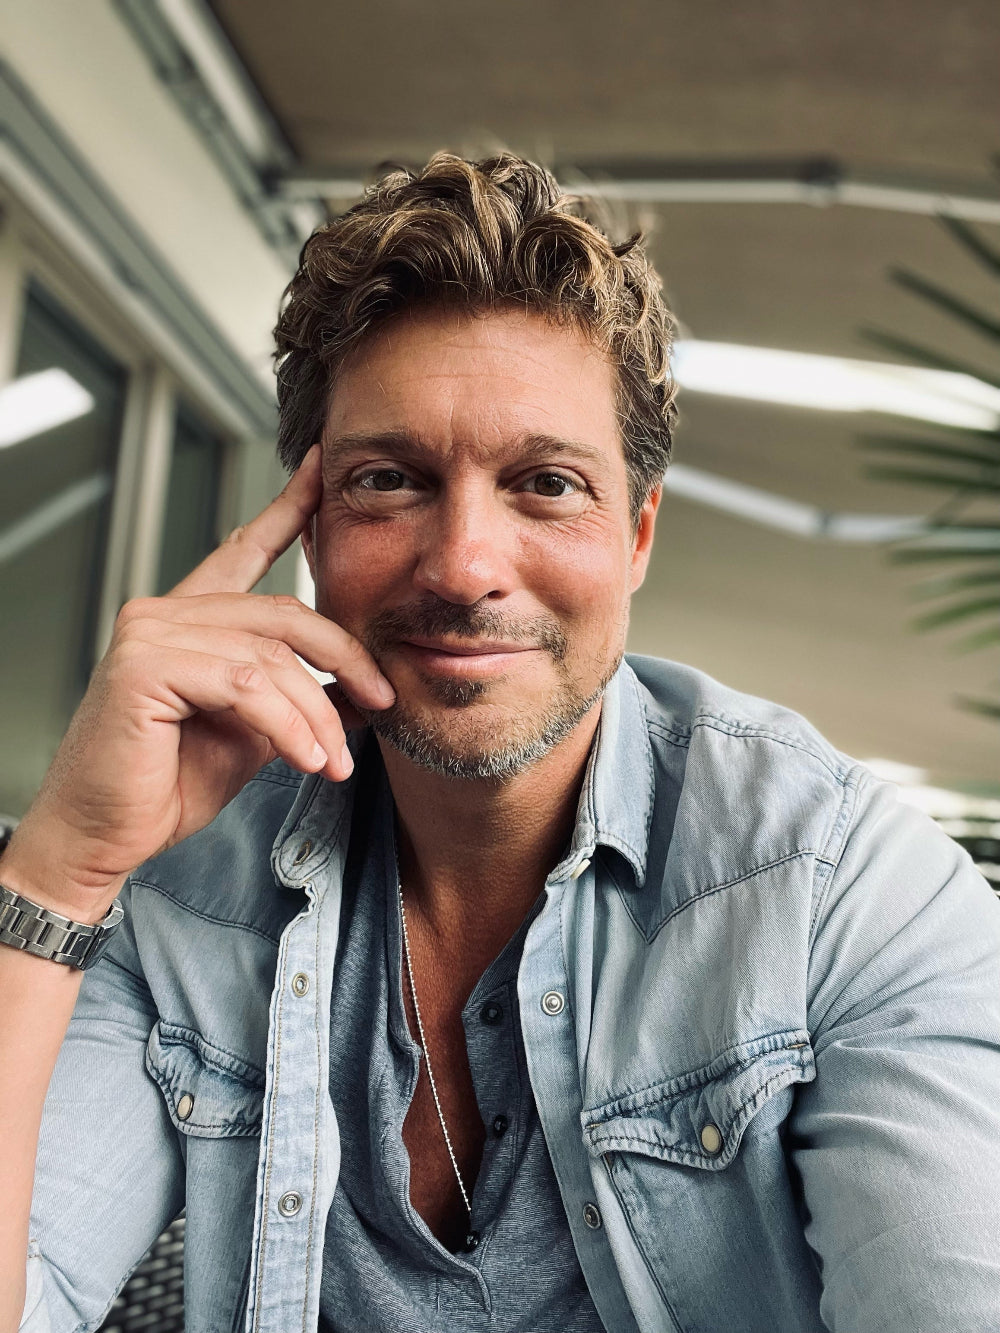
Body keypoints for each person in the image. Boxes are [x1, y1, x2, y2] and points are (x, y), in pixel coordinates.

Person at [2, 152, 999, 1333]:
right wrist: (58, 872)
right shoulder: (182, 879)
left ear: (635, 537)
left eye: (545, 484)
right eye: (390, 480)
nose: (465, 565)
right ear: (310, 531)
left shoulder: (838, 889)